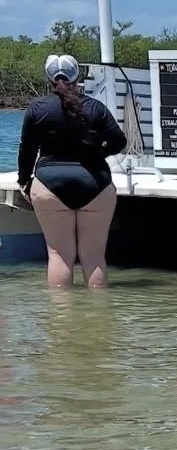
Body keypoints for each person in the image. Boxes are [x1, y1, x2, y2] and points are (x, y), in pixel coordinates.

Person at [18, 54, 126, 289]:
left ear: (49, 79)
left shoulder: (37, 108)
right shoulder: (96, 107)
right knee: (95, 257)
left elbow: (26, 150)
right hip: (96, 184)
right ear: (78, 78)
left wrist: (25, 181)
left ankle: (63, 321)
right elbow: (119, 141)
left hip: (50, 185)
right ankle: (98, 317)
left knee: (58, 255)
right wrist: (99, 154)